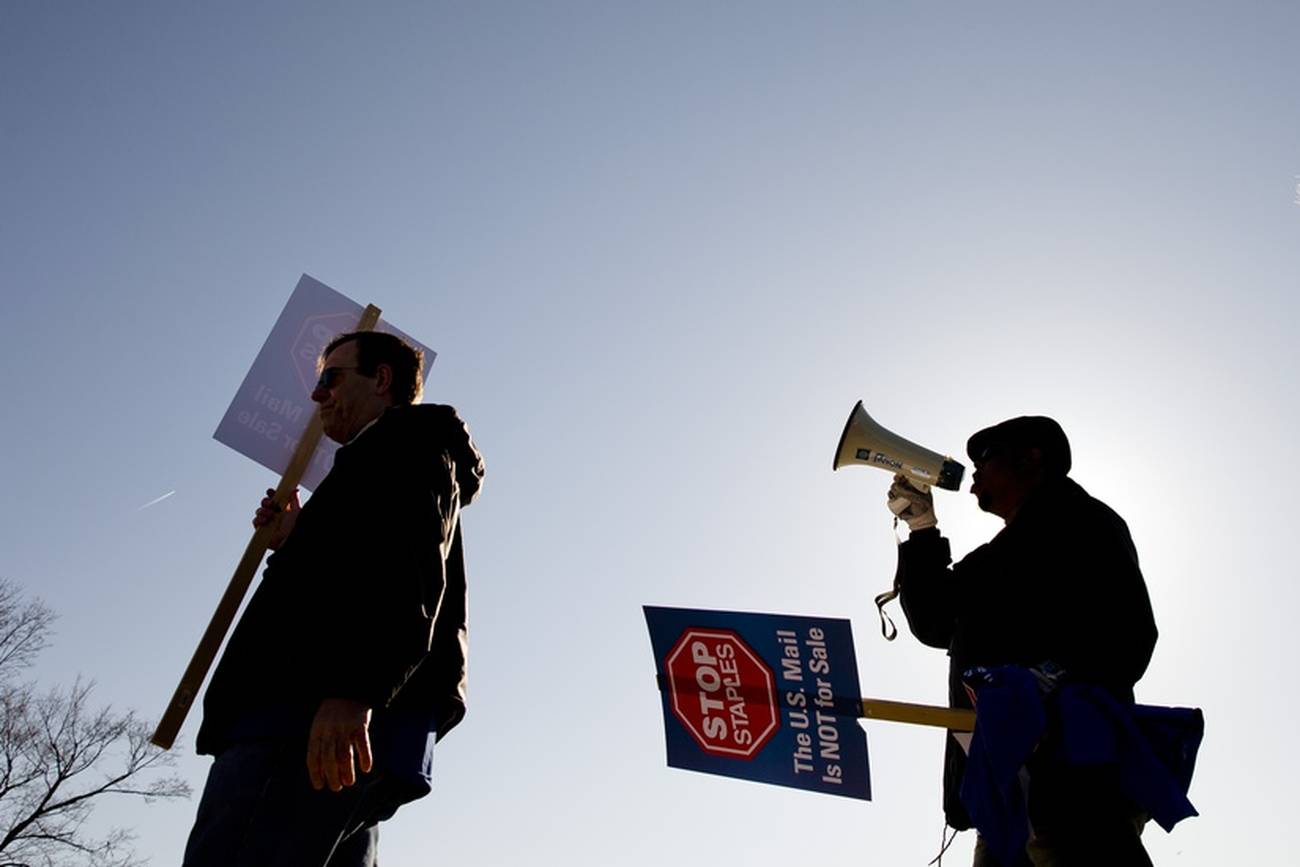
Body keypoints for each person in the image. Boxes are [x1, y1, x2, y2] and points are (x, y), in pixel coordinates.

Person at [183, 330, 485, 867]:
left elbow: (409, 574)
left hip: (305, 721)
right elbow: (346, 579)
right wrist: (292, 543)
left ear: (382, 380)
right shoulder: (380, 460)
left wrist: (356, 692)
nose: (317, 394)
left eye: (330, 378)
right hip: (333, 720)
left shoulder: (404, 446)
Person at [888, 416, 1157, 867]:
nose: (973, 470)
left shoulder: (1081, 522)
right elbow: (936, 620)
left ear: (1031, 457)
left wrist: (1053, 687)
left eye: (986, 457)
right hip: (1006, 793)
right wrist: (922, 529)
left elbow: (1131, 632)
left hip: (1073, 778)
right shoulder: (1004, 552)